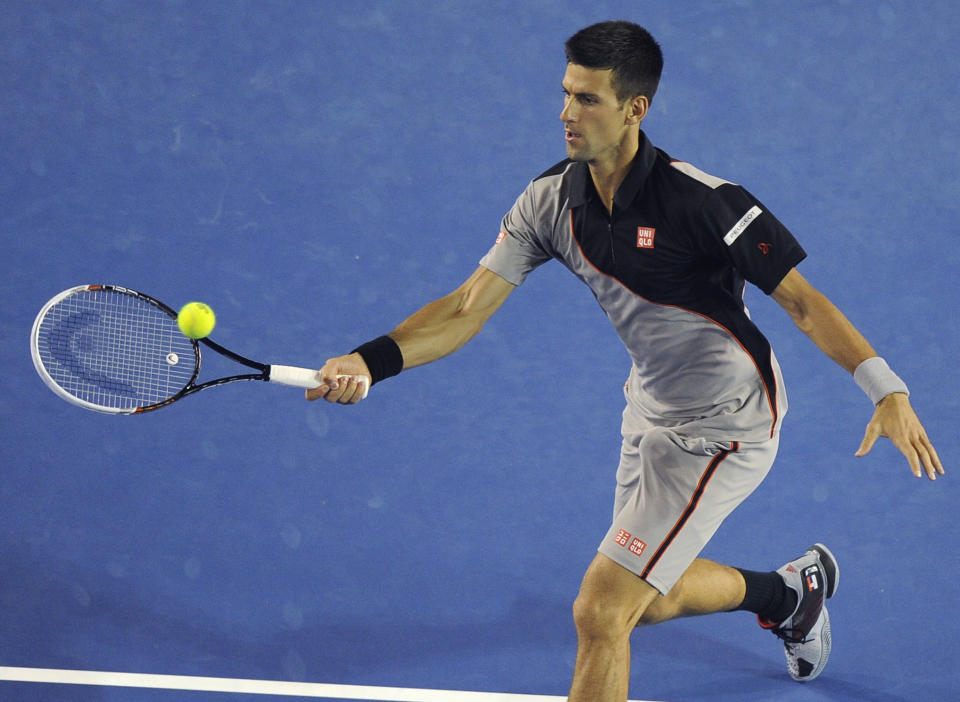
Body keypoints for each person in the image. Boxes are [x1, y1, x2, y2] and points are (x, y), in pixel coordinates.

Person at [306, 20, 943, 702]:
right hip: (651, 407)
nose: (565, 114)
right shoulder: (550, 201)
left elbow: (805, 303)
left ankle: (788, 596)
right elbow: (466, 308)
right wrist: (372, 361)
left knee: (602, 610)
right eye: (565, 94)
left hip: (727, 423)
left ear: (636, 109)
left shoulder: (706, 202)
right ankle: (789, 596)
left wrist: (887, 390)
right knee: (649, 600)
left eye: (587, 99)